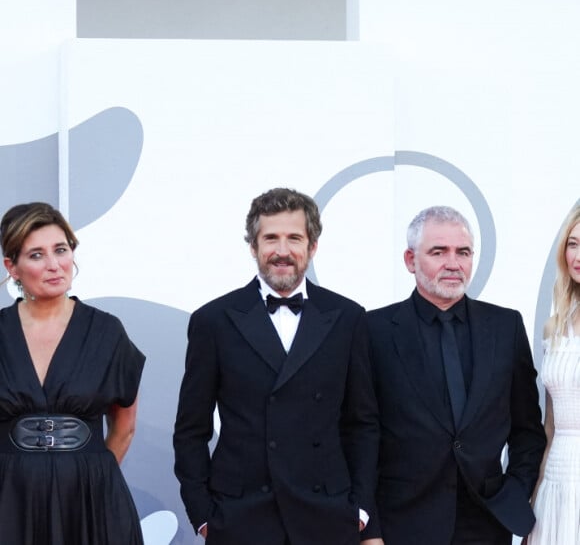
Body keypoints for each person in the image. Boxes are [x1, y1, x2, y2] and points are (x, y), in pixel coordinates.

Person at [173, 187, 379, 545]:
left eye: (294, 238)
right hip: (241, 516)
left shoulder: (347, 317)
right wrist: (203, 514)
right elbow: (191, 429)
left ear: (312, 246)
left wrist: (359, 507)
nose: (282, 251)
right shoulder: (214, 320)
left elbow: (362, 423)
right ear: (253, 247)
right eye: (270, 238)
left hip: (326, 515)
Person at [361, 206, 546, 545]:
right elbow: (360, 435)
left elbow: (528, 431)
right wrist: (369, 529)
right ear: (410, 260)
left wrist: (515, 492)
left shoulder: (506, 327)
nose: (453, 263)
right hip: (401, 524)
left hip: (487, 524)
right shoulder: (372, 331)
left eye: (463, 252)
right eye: (438, 251)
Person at [0, 202, 146, 544]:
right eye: (36, 255)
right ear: (13, 267)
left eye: (61, 250)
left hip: (91, 499)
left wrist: (91, 477)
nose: (54, 265)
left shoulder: (107, 332)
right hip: (9, 497)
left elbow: (124, 428)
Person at [527, 205, 580, 544]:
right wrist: (533, 497)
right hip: (556, 482)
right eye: (573, 243)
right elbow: (549, 426)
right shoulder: (554, 326)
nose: (578, 255)